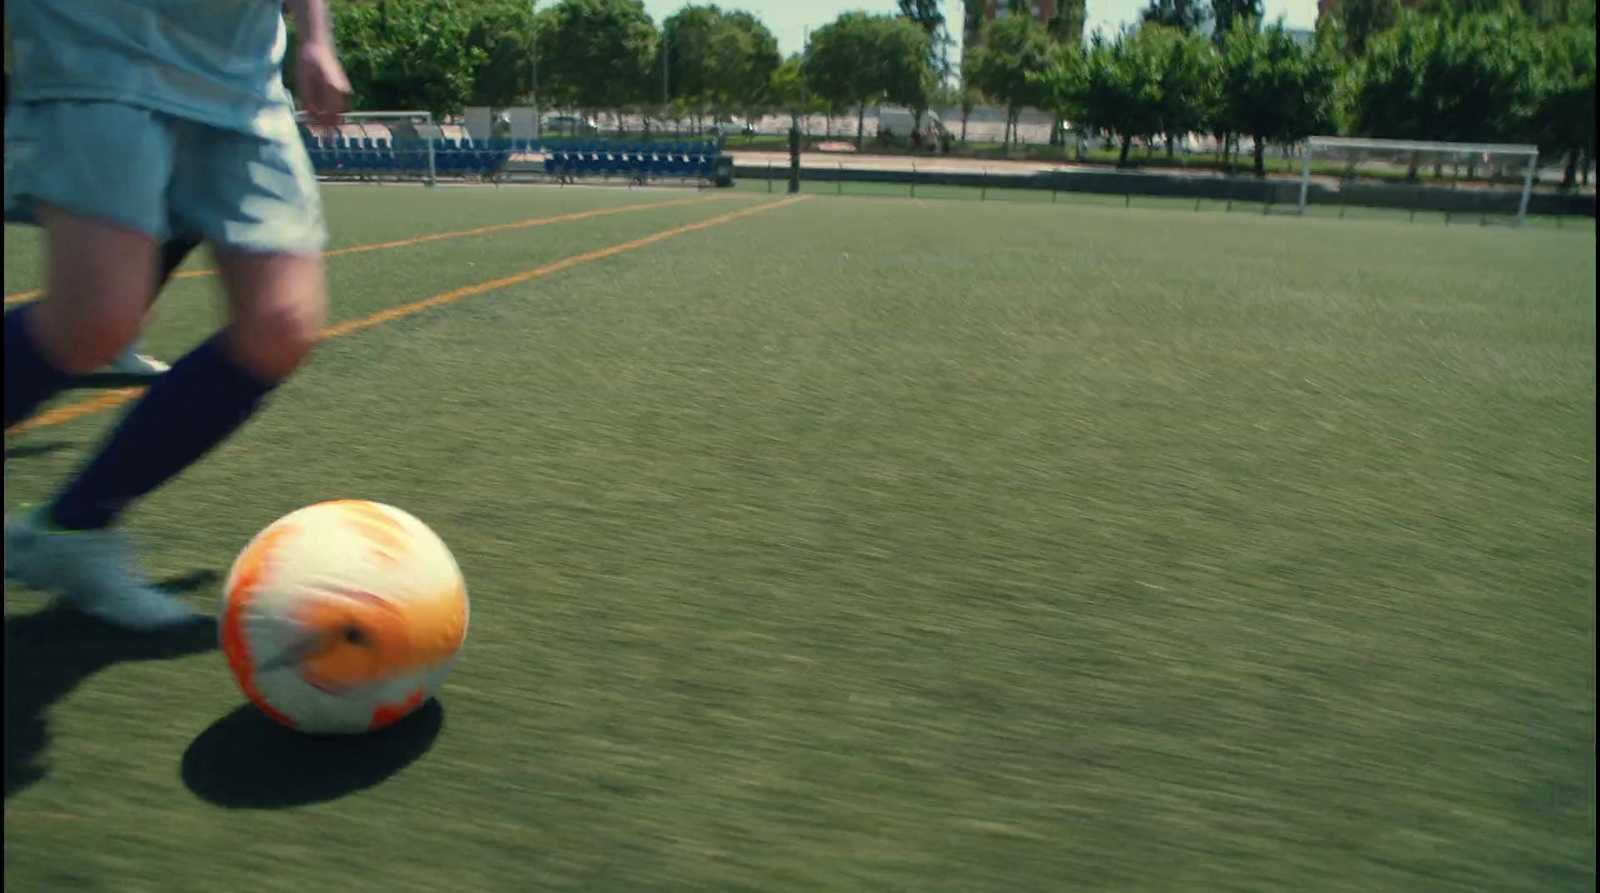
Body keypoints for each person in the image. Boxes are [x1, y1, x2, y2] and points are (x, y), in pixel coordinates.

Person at [4, 0, 353, 630]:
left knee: (280, 328)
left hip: (240, 76)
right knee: (93, 321)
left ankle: (69, 532)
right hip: (101, 40)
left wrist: (314, 37)